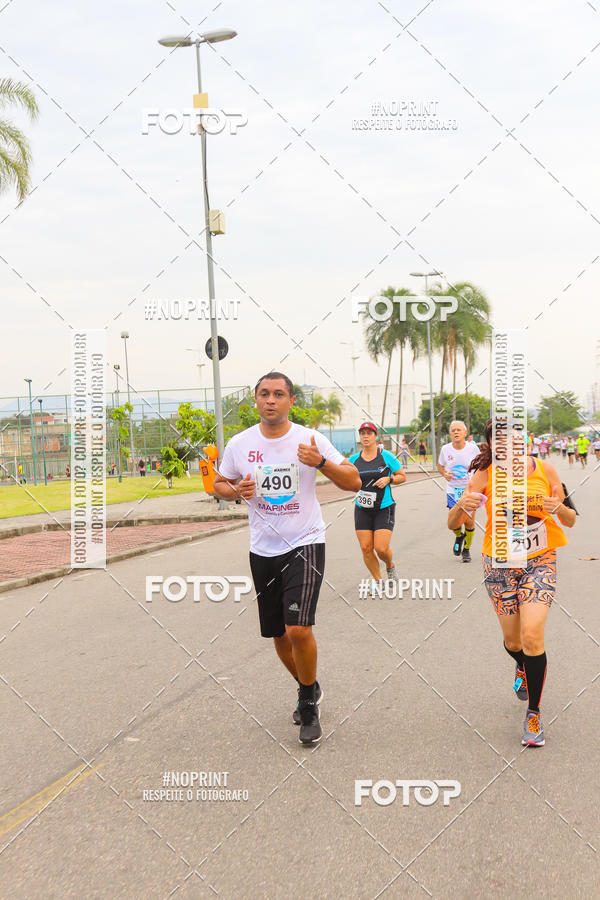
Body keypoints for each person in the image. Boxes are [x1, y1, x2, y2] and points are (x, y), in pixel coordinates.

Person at [213, 372, 361, 745]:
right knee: (278, 634)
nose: (271, 400)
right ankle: (308, 684)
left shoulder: (310, 439)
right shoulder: (240, 443)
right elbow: (219, 484)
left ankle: (307, 704)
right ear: (256, 400)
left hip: (305, 542)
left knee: (298, 629)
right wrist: (236, 489)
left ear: (291, 401)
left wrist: (321, 462)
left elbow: (354, 481)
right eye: (264, 393)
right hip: (263, 548)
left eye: (279, 394)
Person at [449, 420, 576, 747]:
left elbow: (571, 519)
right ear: (492, 446)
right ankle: (521, 665)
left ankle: (533, 713)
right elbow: (453, 523)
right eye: (499, 440)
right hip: (499, 564)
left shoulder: (545, 470)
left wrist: (559, 507)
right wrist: (461, 506)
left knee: (532, 635)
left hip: (539, 560)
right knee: (513, 641)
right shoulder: (484, 475)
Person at [349, 422, 405, 587]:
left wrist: (389, 479)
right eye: (362, 433)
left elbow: (402, 476)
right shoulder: (353, 460)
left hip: (384, 507)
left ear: (376, 436)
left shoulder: (386, 456)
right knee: (366, 548)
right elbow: (346, 479)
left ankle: (389, 565)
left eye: (369, 433)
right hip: (362, 508)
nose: (365, 436)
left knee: (381, 548)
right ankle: (378, 581)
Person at [437, 420, 480, 562]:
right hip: (452, 490)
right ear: (450, 434)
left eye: (459, 430)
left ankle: (466, 550)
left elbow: (481, 466)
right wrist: (445, 474)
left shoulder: (473, 449)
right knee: (454, 522)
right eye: (453, 430)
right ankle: (459, 536)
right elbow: (440, 466)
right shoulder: (445, 449)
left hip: (469, 490)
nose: (456, 432)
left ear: (465, 433)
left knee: (469, 522)